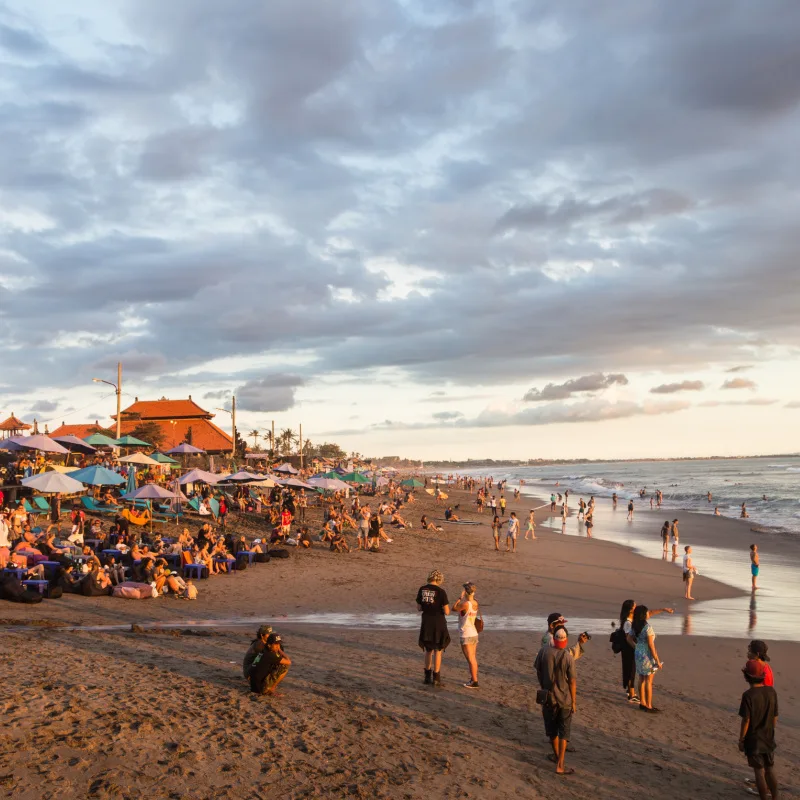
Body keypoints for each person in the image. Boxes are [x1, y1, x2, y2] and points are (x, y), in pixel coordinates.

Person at [534, 627, 577, 775]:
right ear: (565, 641)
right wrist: (574, 702)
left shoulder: (543, 652)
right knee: (564, 732)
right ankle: (560, 764)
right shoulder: (568, 657)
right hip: (564, 699)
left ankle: (558, 757)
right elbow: (572, 681)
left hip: (548, 698)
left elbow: (538, 671)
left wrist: (544, 685)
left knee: (552, 731)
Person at [616, 600, 674, 703]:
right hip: (635, 652)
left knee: (640, 677)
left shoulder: (635, 621)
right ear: (630, 610)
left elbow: (649, 613)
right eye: (634, 606)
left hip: (637, 651)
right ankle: (635, 696)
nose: (636, 606)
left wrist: (663, 609)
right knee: (637, 674)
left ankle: (641, 701)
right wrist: (656, 659)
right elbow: (632, 639)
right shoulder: (631, 623)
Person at [738, 659, 779, 800]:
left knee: (759, 772)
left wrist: (741, 739)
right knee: (770, 769)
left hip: (754, 739)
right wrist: (770, 730)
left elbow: (746, 720)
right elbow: (775, 716)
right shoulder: (771, 691)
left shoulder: (748, 695)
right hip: (768, 737)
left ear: (746, 676)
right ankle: (775, 797)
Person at [415, 569, 450, 686]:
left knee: (428, 650)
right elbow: (447, 611)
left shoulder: (422, 589)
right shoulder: (441, 591)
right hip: (438, 622)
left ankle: (427, 676)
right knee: (438, 650)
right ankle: (436, 677)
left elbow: (419, 608)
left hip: (426, 621)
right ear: (439, 579)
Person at [627, 605, 663, 713]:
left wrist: (637, 647)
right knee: (649, 680)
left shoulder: (634, 626)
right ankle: (648, 705)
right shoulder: (648, 628)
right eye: (647, 612)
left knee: (641, 678)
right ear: (644, 614)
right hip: (648, 655)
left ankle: (642, 703)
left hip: (638, 654)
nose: (649, 614)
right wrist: (657, 660)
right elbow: (651, 646)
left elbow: (628, 639)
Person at [453, 582, 480, 689]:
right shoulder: (475, 603)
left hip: (466, 633)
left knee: (471, 659)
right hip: (473, 633)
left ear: (466, 591)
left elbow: (454, 608)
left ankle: (474, 681)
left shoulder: (466, 604)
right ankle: (473, 679)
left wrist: (460, 598)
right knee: (473, 658)